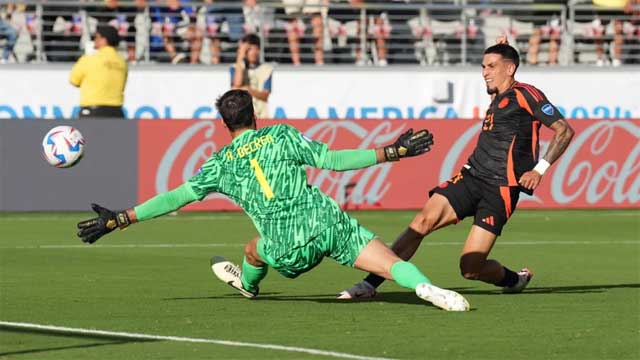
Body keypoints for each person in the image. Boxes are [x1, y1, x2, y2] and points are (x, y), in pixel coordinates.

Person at [76, 89, 470, 312]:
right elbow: (333, 161)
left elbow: (177, 197)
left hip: (286, 246)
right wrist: (391, 152)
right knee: (391, 263)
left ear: (225, 124)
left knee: (253, 249)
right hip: (327, 224)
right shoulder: (281, 135)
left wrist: (123, 217)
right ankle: (430, 292)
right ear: (255, 115)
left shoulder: (219, 164)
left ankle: (249, 287)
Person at [338, 42, 575, 299]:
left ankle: (514, 280)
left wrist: (539, 170)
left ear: (510, 68)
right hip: (471, 177)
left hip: (501, 190)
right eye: (483, 67)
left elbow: (564, 130)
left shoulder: (526, 93)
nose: (485, 72)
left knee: (470, 269)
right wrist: (501, 49)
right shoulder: (497, 96)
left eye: (492, 66)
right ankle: (369, 285)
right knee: (421, 223)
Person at [69, 25, 128, 119]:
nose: (94, 40)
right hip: (117, 112)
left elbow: (73, 80)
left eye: (96, 37)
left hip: (93, 112)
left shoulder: (89, 59)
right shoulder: (122, 62)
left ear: (104, 40)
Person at [230, 34, 273, 119]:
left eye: (256, 49)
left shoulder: (267, 69)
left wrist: (248, 90)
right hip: (241, 117)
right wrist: (240, 58)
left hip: (261, 116)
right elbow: (237, 84)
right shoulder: (235, 67)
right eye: (249, 49)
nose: (253, 52)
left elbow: (265, 95)